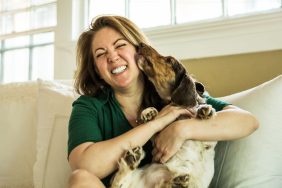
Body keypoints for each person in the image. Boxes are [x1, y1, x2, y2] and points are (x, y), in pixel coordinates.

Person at [67, 15, 259, 188]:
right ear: (96, 70)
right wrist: (156, 124)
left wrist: (181, 130)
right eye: (101, 54)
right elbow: (86, 165)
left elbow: (247, 122)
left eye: (120, 45)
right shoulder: (88, 106)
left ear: (139, 50)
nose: (112, 56)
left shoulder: (173, 92)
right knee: (80, 180)